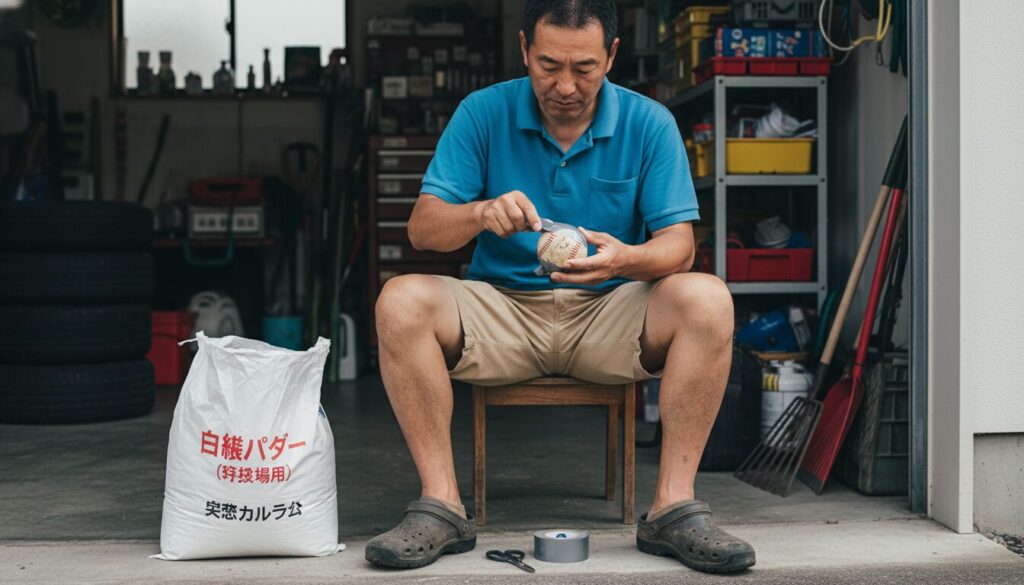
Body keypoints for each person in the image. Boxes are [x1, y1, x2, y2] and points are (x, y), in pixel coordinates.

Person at [366, 0, 755, 574]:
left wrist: (625, 259)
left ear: (611, 56)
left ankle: (673, 508)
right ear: (525, 49)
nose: (565, 86)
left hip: (609, 311)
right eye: (548, 65)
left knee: (707, 298)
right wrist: (479, 213)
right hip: (502, 312)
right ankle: (441, 506)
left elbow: (679, 247)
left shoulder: (649, 122)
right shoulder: (483, 113)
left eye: (584, 68)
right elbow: (423, 230)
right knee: (400, 300)